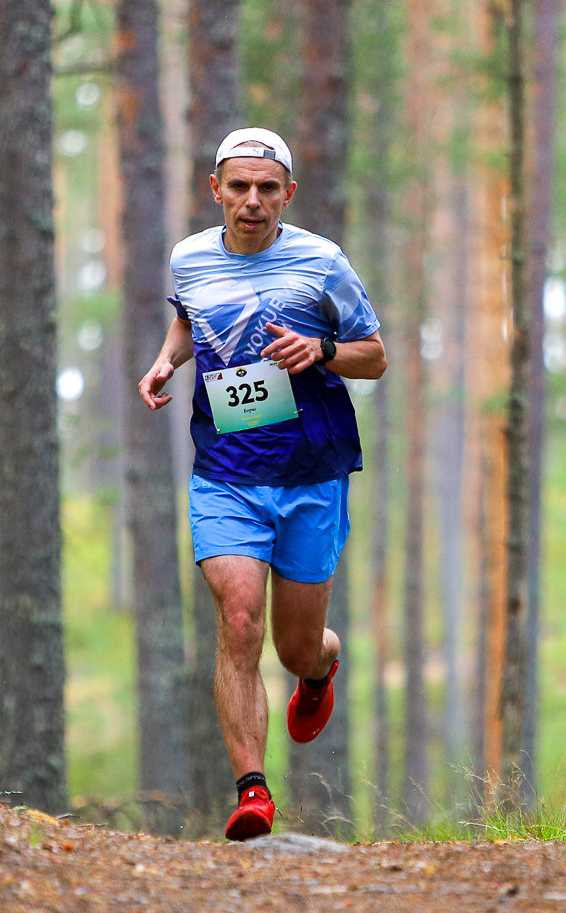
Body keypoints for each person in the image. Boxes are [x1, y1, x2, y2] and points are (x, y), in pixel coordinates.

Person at [137, 128, 387, 840]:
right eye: (239, 187)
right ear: (214, 189)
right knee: (238, 616)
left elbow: (376, 356)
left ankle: (320, 668)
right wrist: (167, 360)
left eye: (267, 188)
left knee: (293, 647)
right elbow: (190, 319)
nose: (252, 202)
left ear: (288, 194)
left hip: (311, 471)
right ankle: (253, 789)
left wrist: (324, 349)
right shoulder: (189, 257)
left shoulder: (321, 262)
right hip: (227, 471)